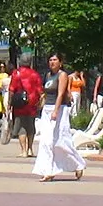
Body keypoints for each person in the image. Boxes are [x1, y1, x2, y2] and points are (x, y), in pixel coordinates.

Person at [32, 51, 86, 181]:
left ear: (60, 62)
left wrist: (55, 111)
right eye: (50, 60)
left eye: (55, 60)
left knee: (60, 142)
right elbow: (46, 92)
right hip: (46, 109)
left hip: (59, 110)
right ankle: (48, 171)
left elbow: (61, 94)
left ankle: (78, 164)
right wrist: (41, 102)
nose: (52, 62)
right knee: (45, 141)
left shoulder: (63, 75)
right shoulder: (48, 75)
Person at [7, 55, 43, 158]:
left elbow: (11, 89)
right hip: (32, 103)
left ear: (20, 62)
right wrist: (40, 102)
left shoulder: (16, 73)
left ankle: (23, 151)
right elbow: (40, 89)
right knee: (30, 126)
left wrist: (9, 104)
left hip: (20, 104)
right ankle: (30, 149)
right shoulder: (35, 74)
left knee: (21, 127)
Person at [0, 60, 14, 144]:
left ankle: (7, 127)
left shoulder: (6, 77)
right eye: (1, 67)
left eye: (3, 67)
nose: (2, 68)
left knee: (7, 111)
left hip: (5, 94)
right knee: (4, 109)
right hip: (0, 93)